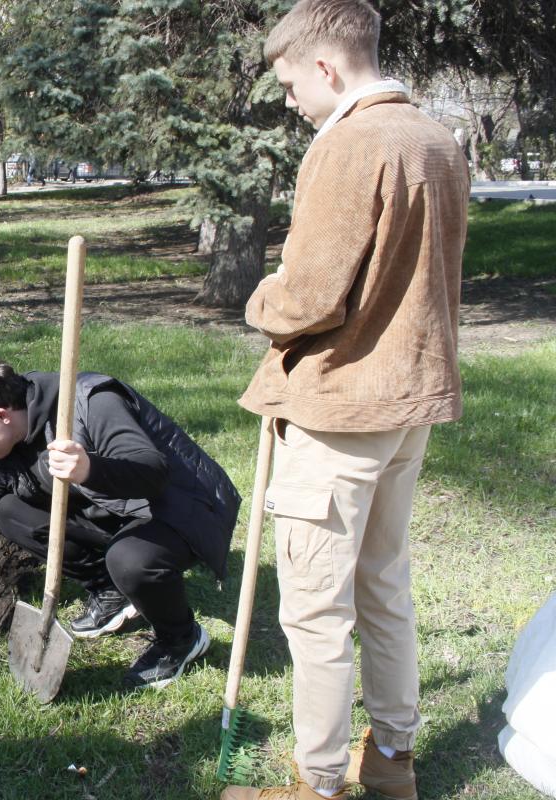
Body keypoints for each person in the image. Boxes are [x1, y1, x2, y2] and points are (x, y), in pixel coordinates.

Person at [221, 2, 469, 798]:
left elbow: (310, 293)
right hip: (407, 404)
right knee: (384, 585)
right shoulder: (436, 138)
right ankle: (393, 761)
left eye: (292, 84)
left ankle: (318, 783)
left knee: (317, 613)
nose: (291, 102)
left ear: (326, 68)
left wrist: (260, 302)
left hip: (342, 410)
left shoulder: (351, 143)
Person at [0, 358, 240, 689]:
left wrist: (90, 468)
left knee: (129, 559)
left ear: (2, 416)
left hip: (183, 507)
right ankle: (111, 589)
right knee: (8, 511)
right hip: (117, 508)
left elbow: (152, 471)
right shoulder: (11, 450)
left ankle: (181, 639)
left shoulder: (90, 401)